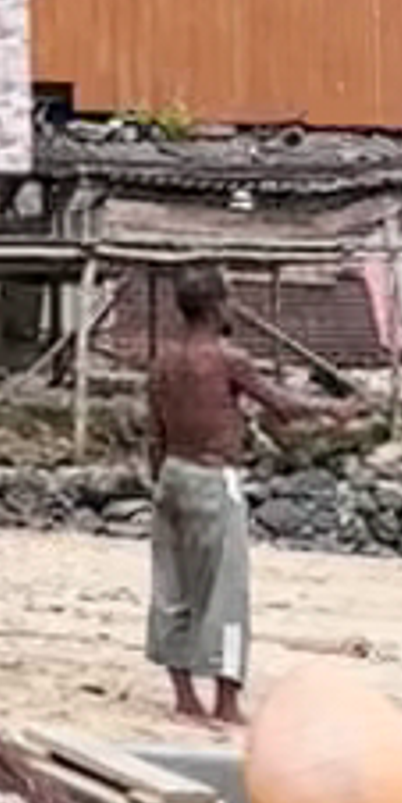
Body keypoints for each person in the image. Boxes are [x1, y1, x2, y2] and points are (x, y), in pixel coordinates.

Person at [139, 262, 323, 724]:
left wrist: (160, 479)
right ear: (216, 307)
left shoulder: (163, 361)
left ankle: (185, 695)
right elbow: (283, 405)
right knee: (225, 592)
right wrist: (339, 408)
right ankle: (225, 701)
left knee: (173, 587)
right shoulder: (228, 360)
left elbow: (154, 434)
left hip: (172, 474)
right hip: (213, 475)